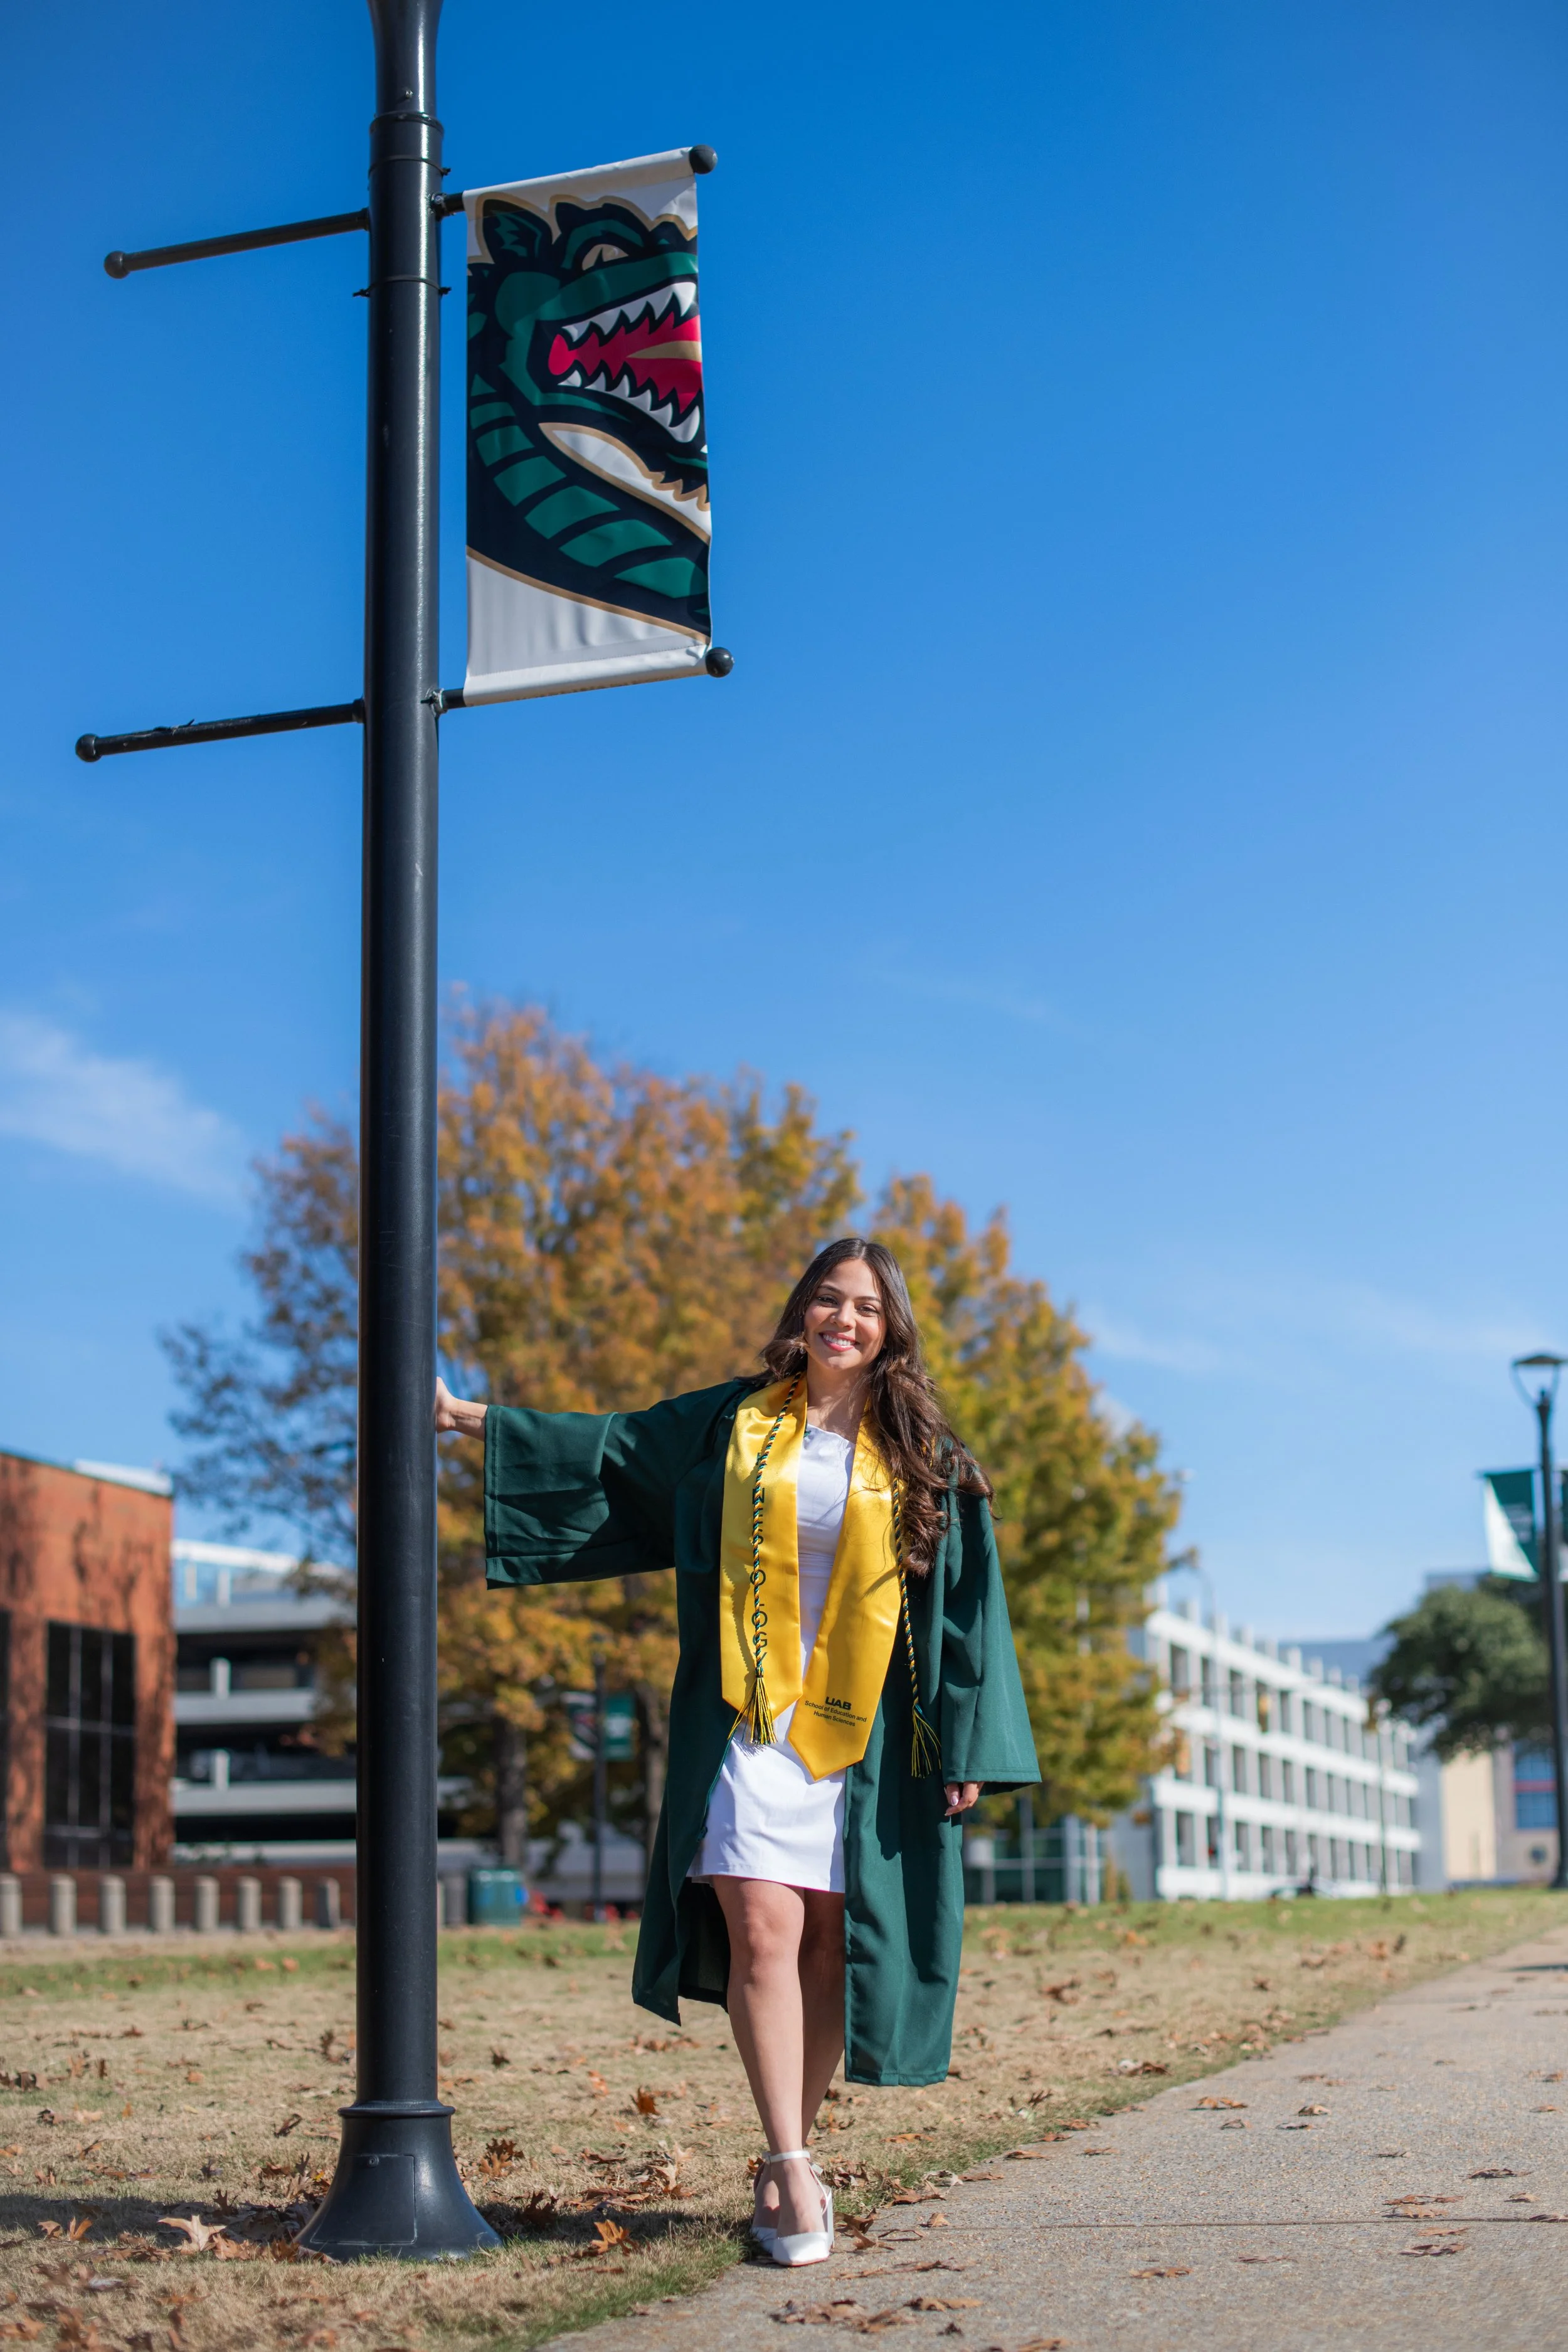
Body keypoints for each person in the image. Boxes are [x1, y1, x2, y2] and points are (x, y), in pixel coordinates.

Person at [435, 1236, 1039, 2265]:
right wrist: (462, 1416)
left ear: (890, 1329)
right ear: (801, 1310)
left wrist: (968, 1740)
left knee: (829, 1950)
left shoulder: (925, 1453)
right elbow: (613, 1448)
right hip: (747, 1714)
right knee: (764, 1929)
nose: (842, 1319)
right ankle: (792, 2162)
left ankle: (783, 2153)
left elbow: (972, 1609)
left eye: (864, 1307)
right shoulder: (735, 1420)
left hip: (869, 1735)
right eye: (826, 1299)